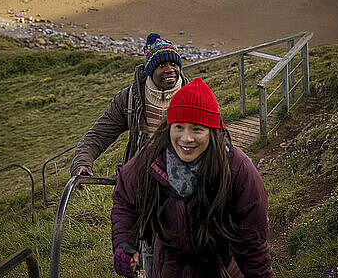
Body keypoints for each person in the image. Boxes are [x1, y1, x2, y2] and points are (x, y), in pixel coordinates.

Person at [111, 77, 274, 278]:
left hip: (221, 270)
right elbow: (125, 198)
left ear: (212, 131)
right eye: (179, 126)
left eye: (197, 129)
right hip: (168, 270)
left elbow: (253, 245)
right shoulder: (153, 157)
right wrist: (125, 243)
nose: (186, 138)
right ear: (169, 127)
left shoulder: (237, 169)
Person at [70, 33, 188, 178]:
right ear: (150, 70)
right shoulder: (129, 98)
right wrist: (82, 161)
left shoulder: (193, 96)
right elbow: (99, 134)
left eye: (174, 64)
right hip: (140, 183)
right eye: (162, 65)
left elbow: (214, 136)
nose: (170, 69)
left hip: (184, 180)